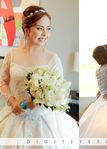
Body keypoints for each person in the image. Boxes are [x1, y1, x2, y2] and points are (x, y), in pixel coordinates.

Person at [0, 5, 79, 148]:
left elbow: (59, 92)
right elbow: (3, 82)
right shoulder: (11, 55)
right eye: (39, 28)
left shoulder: (53, 59)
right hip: (14, 115)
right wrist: (12, 101)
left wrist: (37, 102)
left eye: (48, 28)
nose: (45, 34)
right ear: (26, 29)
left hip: (43, 119)